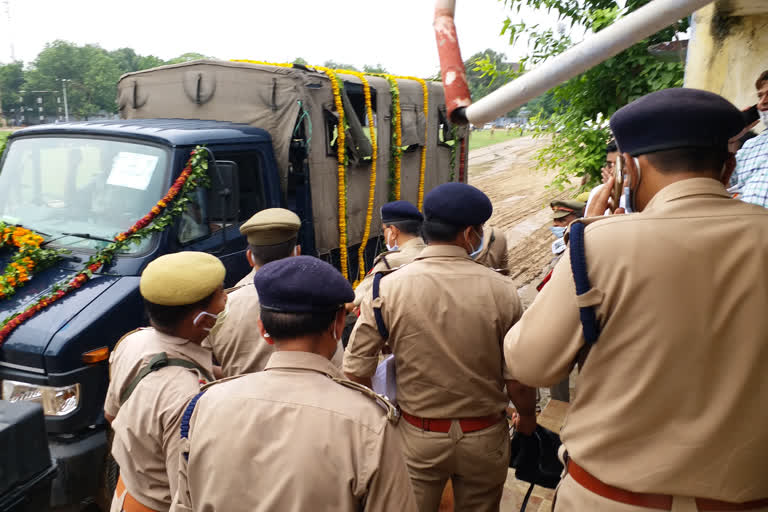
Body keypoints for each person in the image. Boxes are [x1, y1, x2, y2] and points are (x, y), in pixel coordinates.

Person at [504, 88, 768, 510]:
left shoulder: (596, 245)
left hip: (609, 499)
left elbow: (530, 363)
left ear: (630, 168)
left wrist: (587, 228)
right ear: (729, 165)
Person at [169, 256, 418, 512]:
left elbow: (184, 504)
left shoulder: (204, 406)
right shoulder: (368, 421)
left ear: (262, 328)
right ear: (338, 325)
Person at [344, 182, 536, 512]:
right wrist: (528, 418)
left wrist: (387, 416)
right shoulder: (503, 290)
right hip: (485, 436)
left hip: (417, 434)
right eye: (478, 231)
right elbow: (517, 377)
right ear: (468, 234)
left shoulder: (387, 288)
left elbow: (355, 370)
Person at [104, 252, 226, 512]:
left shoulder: (132, 341)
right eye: (221, 294)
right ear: (202, 320)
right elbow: (186, 497)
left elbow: (110, 413)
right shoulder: (188, 398)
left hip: (126, 494)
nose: (226, 300)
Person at [203, 208, 344, 376]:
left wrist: (233, 376)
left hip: (242, 400)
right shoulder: (317, 298)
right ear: (297, 252)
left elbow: (201, 364)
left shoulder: (222, 307)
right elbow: (338, 369)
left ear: (249, 257)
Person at [351, 200, 425, 311]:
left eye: (384, 230)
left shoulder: (389, 262)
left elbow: (354, 301)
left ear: (393, 232)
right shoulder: (433, 254)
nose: (384, 235)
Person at [731, 70, 768, 207]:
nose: (762, 103)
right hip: (744, 226)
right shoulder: (750, 146)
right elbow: (720, 182)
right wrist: (731, 138)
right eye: (760, 96)